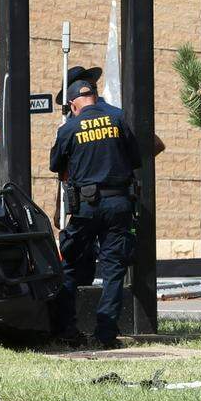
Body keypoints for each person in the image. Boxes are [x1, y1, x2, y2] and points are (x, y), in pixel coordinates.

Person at [49, 79, 142, 349]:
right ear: (93, 96)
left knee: (66, 265)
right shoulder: (117, 118)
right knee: (113, 271)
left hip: (86, 209)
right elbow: (135, 159)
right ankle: (106, 335)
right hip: (119, 205)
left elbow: (56, 165)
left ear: (73, 104)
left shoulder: (69, 128)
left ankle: (67, 329)